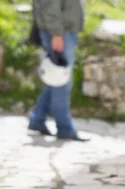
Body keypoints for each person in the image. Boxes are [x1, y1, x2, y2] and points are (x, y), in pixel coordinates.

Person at [28, 0, 89, 141]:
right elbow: (50, 5)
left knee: (55, 79)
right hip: (59, 33)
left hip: (61, 32)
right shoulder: (58, 34)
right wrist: (57, 34)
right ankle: (65, 128)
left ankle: (37, 120)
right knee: (62, 82)